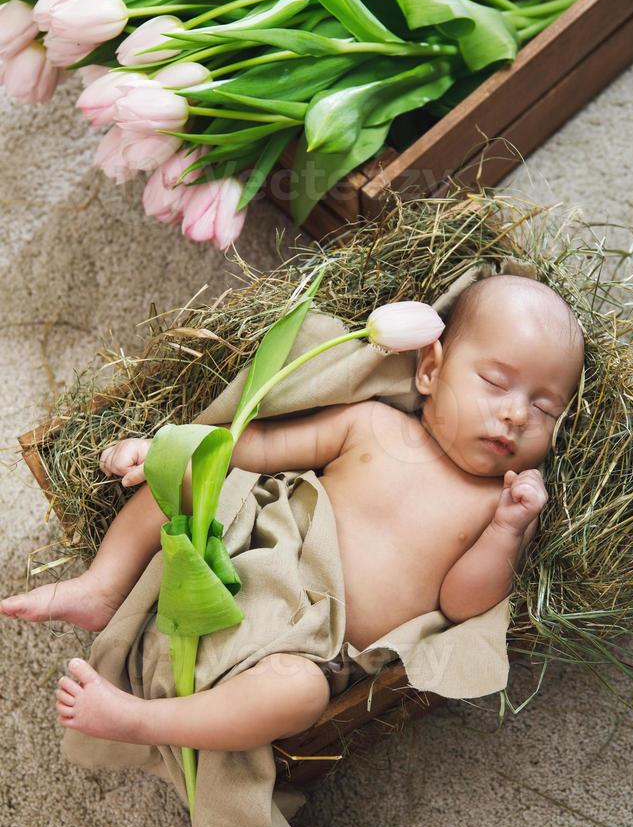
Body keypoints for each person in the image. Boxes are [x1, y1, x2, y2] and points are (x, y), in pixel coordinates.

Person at [0, 274, 584, 753]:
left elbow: (462, 604)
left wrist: (508, 529)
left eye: (543, 407)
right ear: (430, 370)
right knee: (194, 475)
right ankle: (101, 586)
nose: (514, 415)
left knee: (301, 698)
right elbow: (255, 448)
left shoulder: (500, 506)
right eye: (494, 382)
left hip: (313, 649)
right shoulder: (373, 424)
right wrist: (164, 450)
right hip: (244, 558)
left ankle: (140, 721)